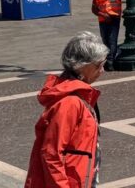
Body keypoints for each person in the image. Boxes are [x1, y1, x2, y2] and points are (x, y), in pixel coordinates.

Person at [25, 32, 107, 187]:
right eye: (98, 65)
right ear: (82, 66)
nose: (102, 71)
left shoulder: (79, 96)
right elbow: (51, 154)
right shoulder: (69, 103)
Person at [91, 0, 124, 70]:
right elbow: (94, 9)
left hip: (114, 19)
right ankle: (109, 59)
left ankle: (110, 62)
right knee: (105, 41)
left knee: (112, 40)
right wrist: (103, 15)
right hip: (103, 20)